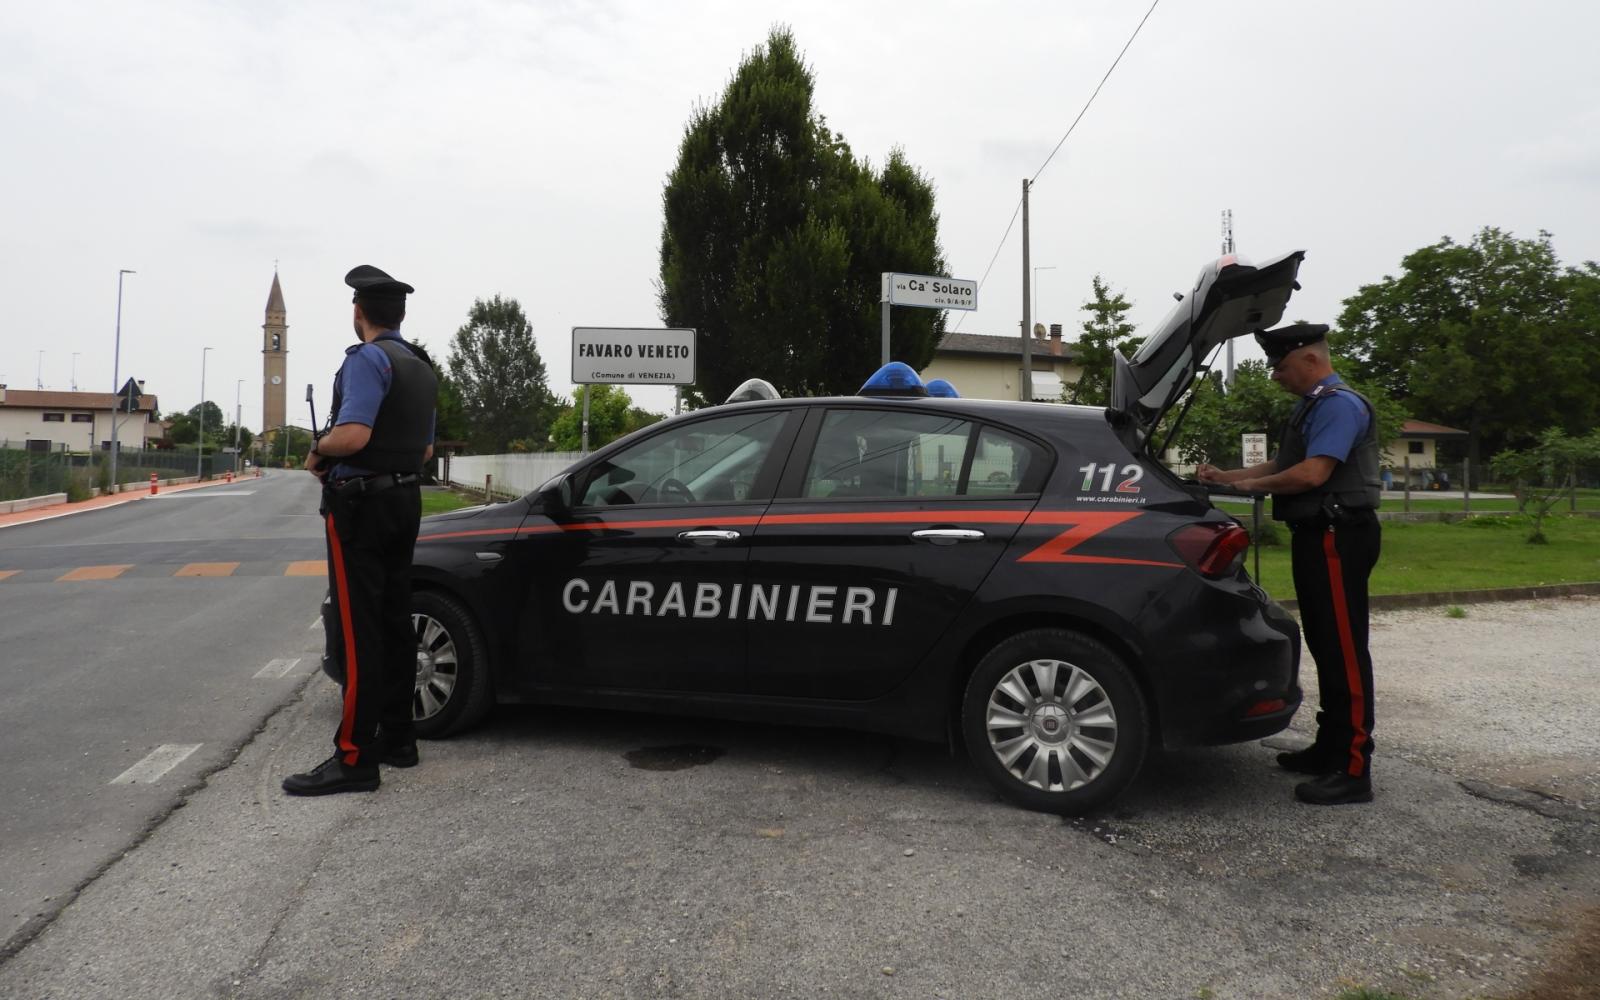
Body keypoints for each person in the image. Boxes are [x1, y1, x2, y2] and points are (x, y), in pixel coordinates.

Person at [1196, 323, 1381, 806]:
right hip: (1319, 536)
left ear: (1310, 361)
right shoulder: (1312, 408)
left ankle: (1354, 767)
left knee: (1343, 648)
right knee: (1325, 644)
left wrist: (1245, 489)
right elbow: (1279, 464)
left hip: (1337, 536)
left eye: (1280, 366)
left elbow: (1311, 474)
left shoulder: (1339, 404)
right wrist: (1225, 476)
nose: (1275, 375)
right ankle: (1331, 747)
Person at [283, 265, 438, 796]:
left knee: (358, 633)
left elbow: (352, 435)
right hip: (405, 500)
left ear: (359, 313)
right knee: (395, 623)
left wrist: (317, 447)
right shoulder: (420, 366)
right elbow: (424, 451)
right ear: (401, 315)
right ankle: (399, 740)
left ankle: (354, 758)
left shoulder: (367, 360)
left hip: (362, 508)